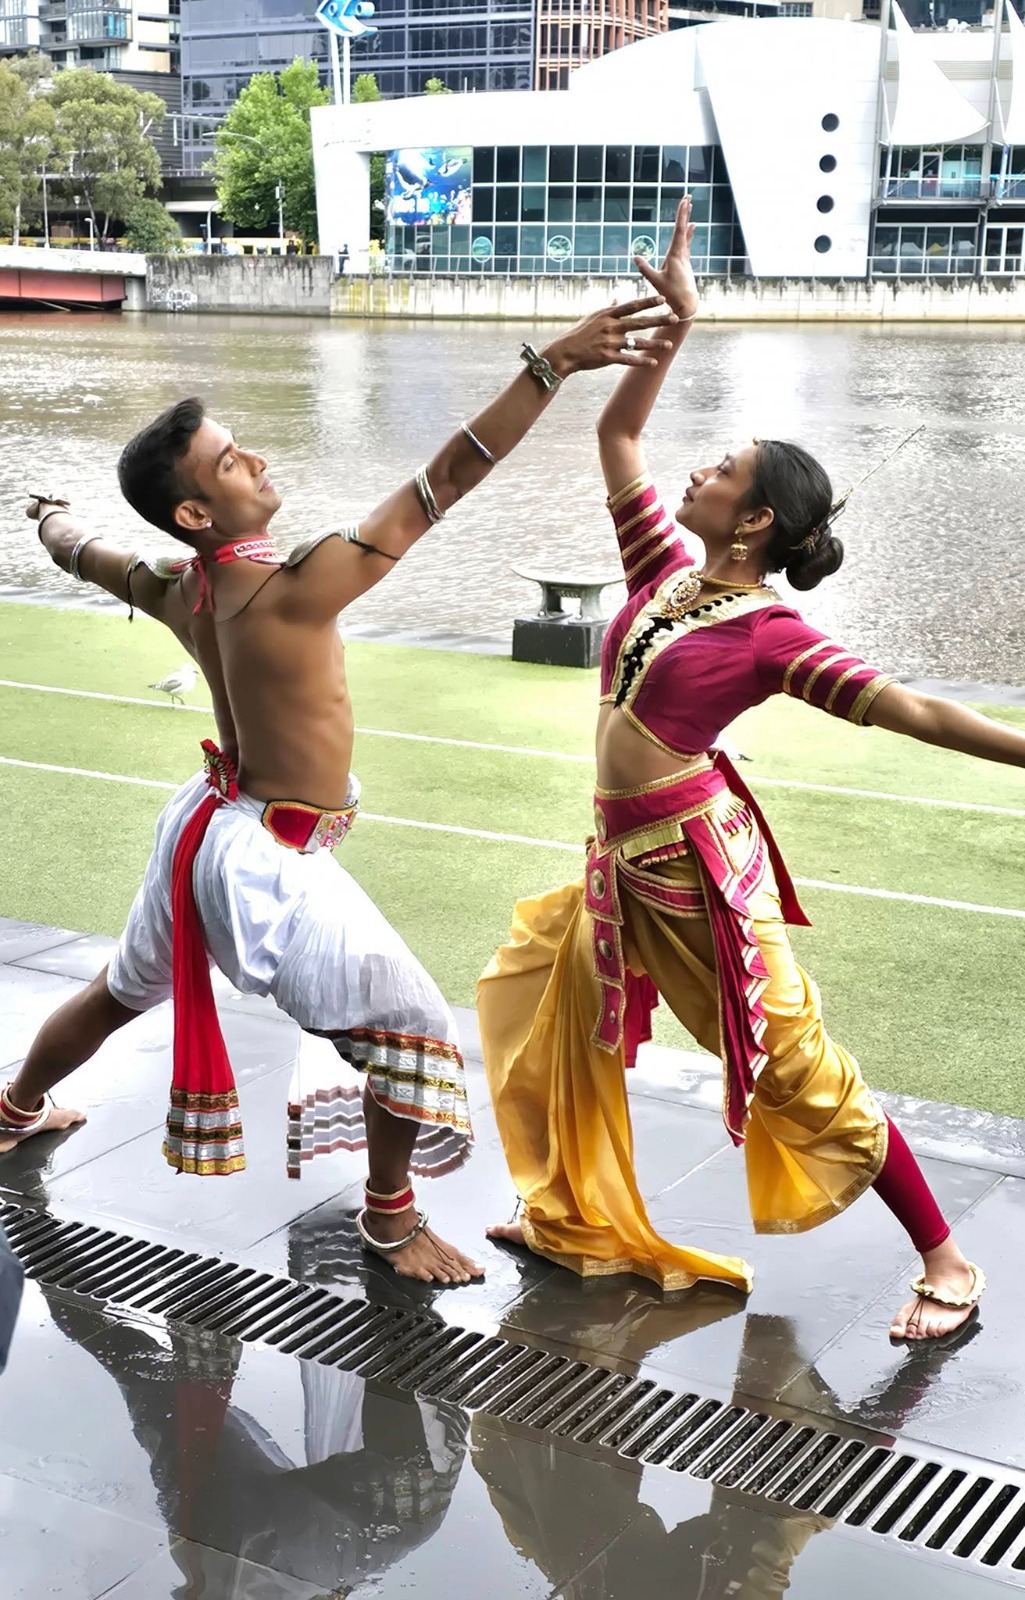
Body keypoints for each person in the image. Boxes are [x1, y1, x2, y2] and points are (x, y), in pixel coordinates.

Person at [0, 294, 674, 1289]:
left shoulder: (182, 583)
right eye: (232, 463)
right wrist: (551, 365)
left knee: (118, 991)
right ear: (198, 511)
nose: (259, 461)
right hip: (259, 858)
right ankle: (389, 1217)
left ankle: (12, 1110)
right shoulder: (299, 583)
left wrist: (51, 518)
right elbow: (446, 477)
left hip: (205, 825)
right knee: (412, 1024)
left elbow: (91, 556)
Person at [479, 197, 1022, 1340]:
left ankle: (948, 1263)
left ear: (755, 518)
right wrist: (675, 325)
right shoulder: (665, 572)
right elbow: (616, 440)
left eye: (718, 467)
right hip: (618, 859)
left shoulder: (769, 634)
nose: (694, 469)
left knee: (794, 1069)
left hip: (693, 871)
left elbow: (910, 709)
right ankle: (569, 1214)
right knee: (558, 1020)